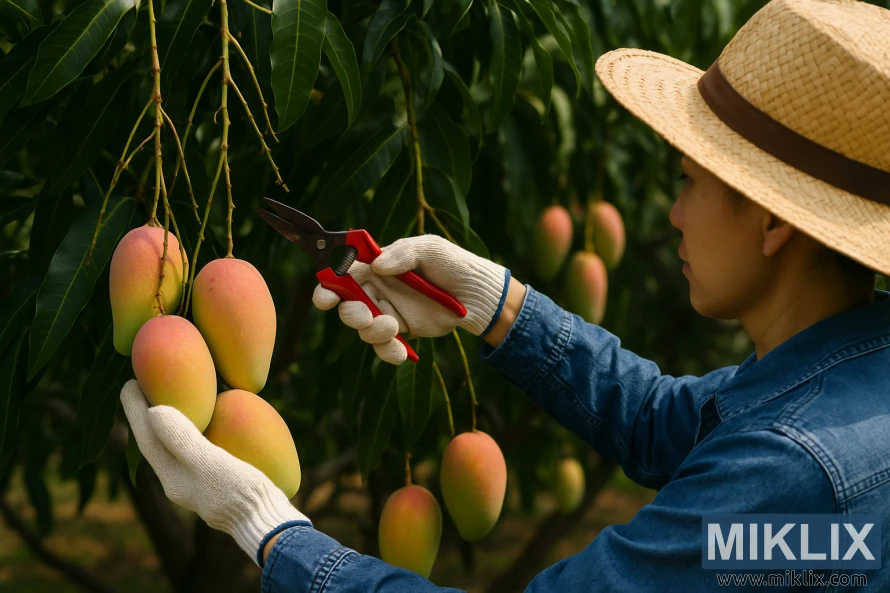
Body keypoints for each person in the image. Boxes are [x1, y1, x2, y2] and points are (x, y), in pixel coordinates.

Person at [120, 0, 890, 590]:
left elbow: (759, 496)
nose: (672, 213)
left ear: (769, 221)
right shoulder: (855, 379)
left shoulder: (795, 479)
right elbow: (669, 423)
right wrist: (497, 304)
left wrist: (268, 530)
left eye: (689, 182)